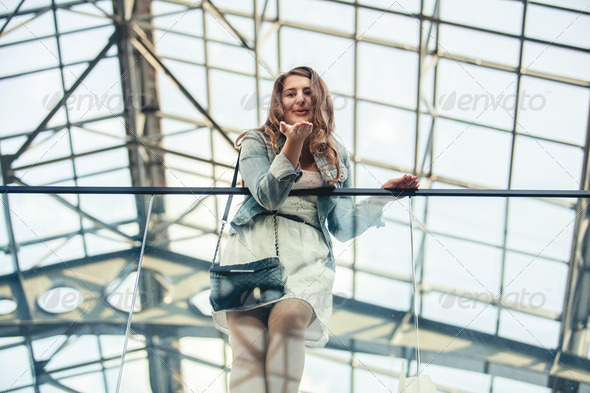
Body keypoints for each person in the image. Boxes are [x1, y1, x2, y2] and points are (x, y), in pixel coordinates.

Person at [211, 66, 419, 393]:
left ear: (319, 99)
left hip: (306, 251)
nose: (299, 98)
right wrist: (292, 146)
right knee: (248, 355)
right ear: (278, 102)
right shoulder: (257, 141)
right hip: (251, 245)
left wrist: (381, 197)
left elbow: (343, 225)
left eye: (307, 92)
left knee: (290, 318)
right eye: (290, 93)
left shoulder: (334, 153)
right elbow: (267, 196)